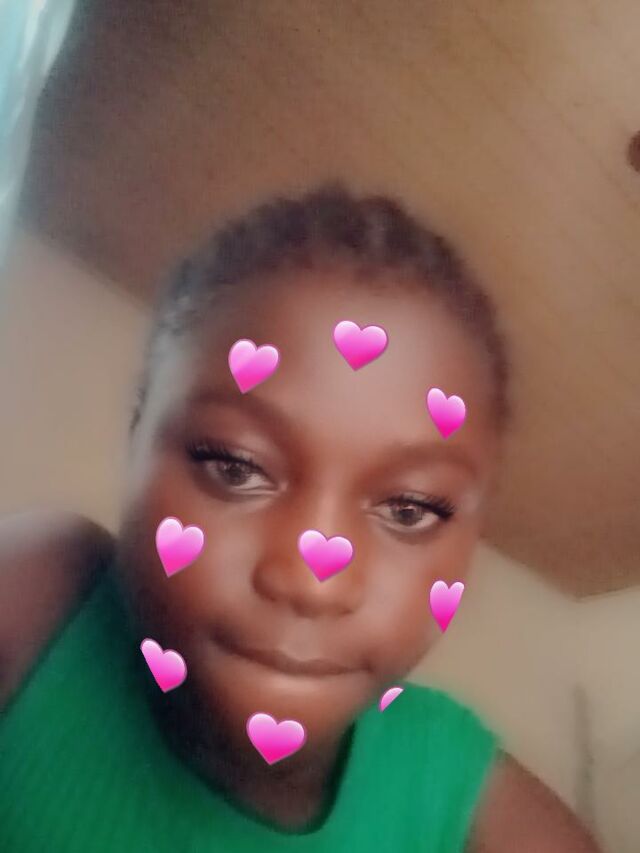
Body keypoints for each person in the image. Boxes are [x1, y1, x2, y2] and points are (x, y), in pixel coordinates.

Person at [0, 186, 600, 851]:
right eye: (235, 466)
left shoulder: (459, 791)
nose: (312, 581)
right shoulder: (45, 598)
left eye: (409, 509)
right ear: (136, 436)